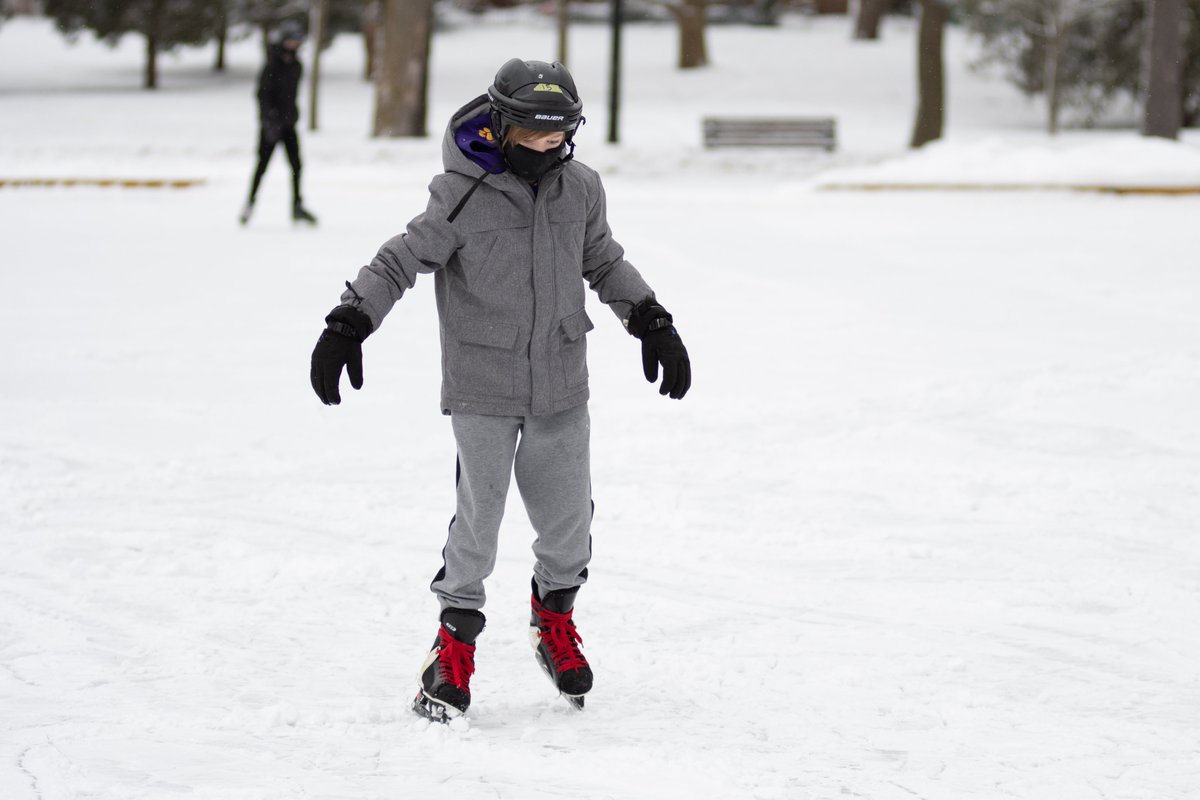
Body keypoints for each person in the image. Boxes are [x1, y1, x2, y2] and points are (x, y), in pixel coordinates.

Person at [308, 59, 691, 722]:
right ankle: (451, 647)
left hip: (562, 380)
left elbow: (602, 260)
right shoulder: (462, 192)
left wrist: (652, 319)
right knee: (478, 523)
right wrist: (351, 319)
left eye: (563, 133)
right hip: (483, 382)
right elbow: (401, 258)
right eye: (539, 134)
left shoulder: (581, 188)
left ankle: (554, 622)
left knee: (569, 525)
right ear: (506, 125)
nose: (553, 146)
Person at [240, 20, 317, 226]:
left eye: (296, 41)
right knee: (262, 166)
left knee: (296, 166)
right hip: (270, 125)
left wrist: (292, 116)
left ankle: (297, 206)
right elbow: (262, 95)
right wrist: (269, 120)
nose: (294, 44)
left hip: (288, 124)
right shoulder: (272, 63)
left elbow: (291, 96)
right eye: (291, 40)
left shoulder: (296, 65)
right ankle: (249, 204)